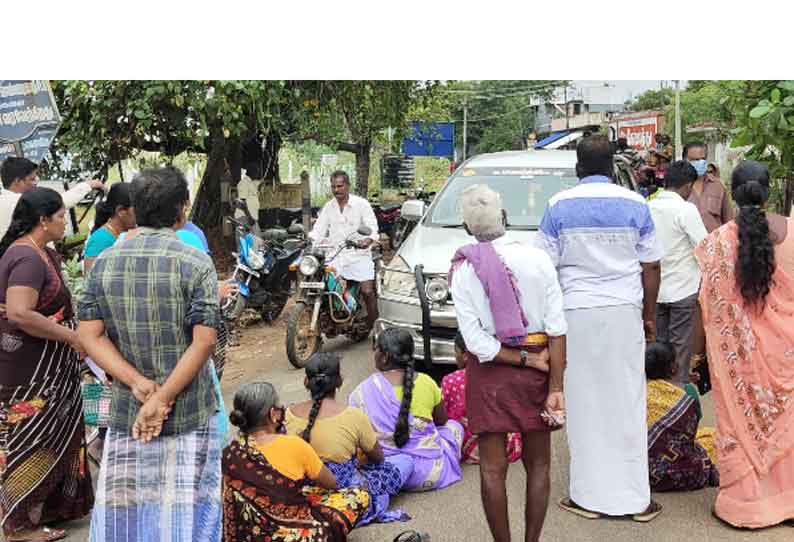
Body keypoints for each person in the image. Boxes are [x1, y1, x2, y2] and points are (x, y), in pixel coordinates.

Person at [77, 166, 222, 542]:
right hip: (187, 410)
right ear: (182, 208)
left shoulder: (105, 261)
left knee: (128, 514)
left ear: (136, 209)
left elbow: (89, 335)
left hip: (129, 411)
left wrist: (139, 384)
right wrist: (163, 398)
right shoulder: (195, 261)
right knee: (188, 511)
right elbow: (203, 342)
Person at [536, 135, 664, 521]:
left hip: (577, 313)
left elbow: (546, 269)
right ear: (612, 167)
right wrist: (649, 315)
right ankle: (636, 500)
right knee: (627, 399)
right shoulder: (636, 204)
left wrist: (548, 323)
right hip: (624, 310)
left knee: (585, 401)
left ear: (578, 167)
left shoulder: (557, 206)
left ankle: (587, 497)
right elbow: (652, 266)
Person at [448, 184, 567, 542]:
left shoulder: (466, 271)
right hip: (543, 365)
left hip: (490, 375)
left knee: (492, 469)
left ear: (467, 229)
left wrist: (524, 359)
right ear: (504, 218)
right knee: (539, 464)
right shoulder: (537, 259)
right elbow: (557, 329)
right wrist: (554, 383)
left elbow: (475, 343)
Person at [694, 160, 794, 529]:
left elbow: (707, 303)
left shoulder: (718, 244)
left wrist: (698, 353)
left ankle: (745, 505)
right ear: (768, 194)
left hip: (740, 358)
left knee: (739, 423)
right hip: (788, 356)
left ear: (731, 194)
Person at [0, 188, 94, 542]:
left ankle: (52, 507)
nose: (65, 222)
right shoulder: (26, 258)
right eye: (60, 216)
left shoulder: (40, 252)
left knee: (58, 431)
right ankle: (19, 526)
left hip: (50, 364)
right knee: (30, 438)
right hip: (30, 372)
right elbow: (21, 312)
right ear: (43, 220)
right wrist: (71, 337)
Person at [223, 381, 370, 542]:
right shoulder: (294, 444)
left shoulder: (231, 453)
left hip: (250, 535)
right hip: (295, 536)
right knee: (359, 495)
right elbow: (331, 483)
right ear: (273, 413)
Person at [286, 353, 412, 525]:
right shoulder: (353, 416)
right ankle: (367, 509)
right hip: (346, 493)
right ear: (339, 381)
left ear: (306, 382)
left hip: (302, 493)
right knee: (405, 462)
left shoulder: (287, 414)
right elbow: (378, 457)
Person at [349, 328, 463, 492]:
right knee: (454, 426)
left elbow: (358, 435)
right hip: (431, 473)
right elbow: (442, 421)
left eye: (376, 349)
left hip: (390, 471)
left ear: (385, 357)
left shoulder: (361, 391)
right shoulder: (427, 382)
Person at [648, 161, 708, 386]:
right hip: (683, 289)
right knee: (680, 346)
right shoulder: (686, 209)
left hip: (656, 289)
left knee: (659, 346)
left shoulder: (649, 206)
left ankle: (658, 394)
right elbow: (703, 246)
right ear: (688, 186)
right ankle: (678, 395)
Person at [309, 170, 379, 331]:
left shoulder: (361, 204)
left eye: (339, 186)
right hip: (335, 256)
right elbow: (319, 230)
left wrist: (367, 240)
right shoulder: (329, 206)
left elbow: (373, 229)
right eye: (333, 187)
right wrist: (309, 240)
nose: (336, 190)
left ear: (348, 186)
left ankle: (375, 327)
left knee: (367, 291)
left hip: (358, 255)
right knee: (319, 284)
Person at [644, 342, 718, 492]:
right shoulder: (688, 391)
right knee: (713, 440)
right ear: (673, 367)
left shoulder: (637, 393)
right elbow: (693, 428)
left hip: (642, 472)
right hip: (683, 472)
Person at [441, 332, 524, 464]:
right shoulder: (502, 375)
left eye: (456, 352)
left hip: (468, 447)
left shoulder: (450, 381)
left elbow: (443, 416)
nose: (455, 356)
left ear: (466, 355)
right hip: (505, 445)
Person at [0, 157, 106, 241]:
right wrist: (89, 185)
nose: (36, 182)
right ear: (18, 181)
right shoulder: (20, 202)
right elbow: (59, 202)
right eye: (32, 179)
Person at [83, 182, 136, 274]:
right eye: (136, 209)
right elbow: (90, 280)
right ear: (120, 211)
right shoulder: (100, 240)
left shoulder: (126, 234)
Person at [684, 142, 733, 232]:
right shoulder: (679, 187)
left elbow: (728, 220)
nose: (699, 162)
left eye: (702, 159)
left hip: (715, 243)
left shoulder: (718, 186)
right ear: (685, 161)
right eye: (695, 160)